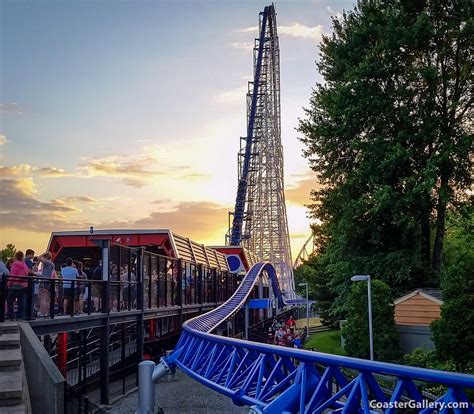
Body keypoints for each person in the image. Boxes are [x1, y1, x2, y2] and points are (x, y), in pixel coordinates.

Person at [6, 251, 30, 319]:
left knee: (9, 300)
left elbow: (13, 275)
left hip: (16, 285)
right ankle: (20, 316)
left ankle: (11, 315)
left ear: (16, 256)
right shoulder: (24, 265)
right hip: (24, 285)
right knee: (21, 301)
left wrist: (9, 284)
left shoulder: (15, 264)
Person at [37, 252, 54, 316]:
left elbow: (38, 258)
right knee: (47, 299)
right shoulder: (52, 264)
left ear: (46, 257)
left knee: (43, 298)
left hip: (43, 280)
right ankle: (47, 313)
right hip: (49, 281)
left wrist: (43, 253)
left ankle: (42, 313)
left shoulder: (46, 262)